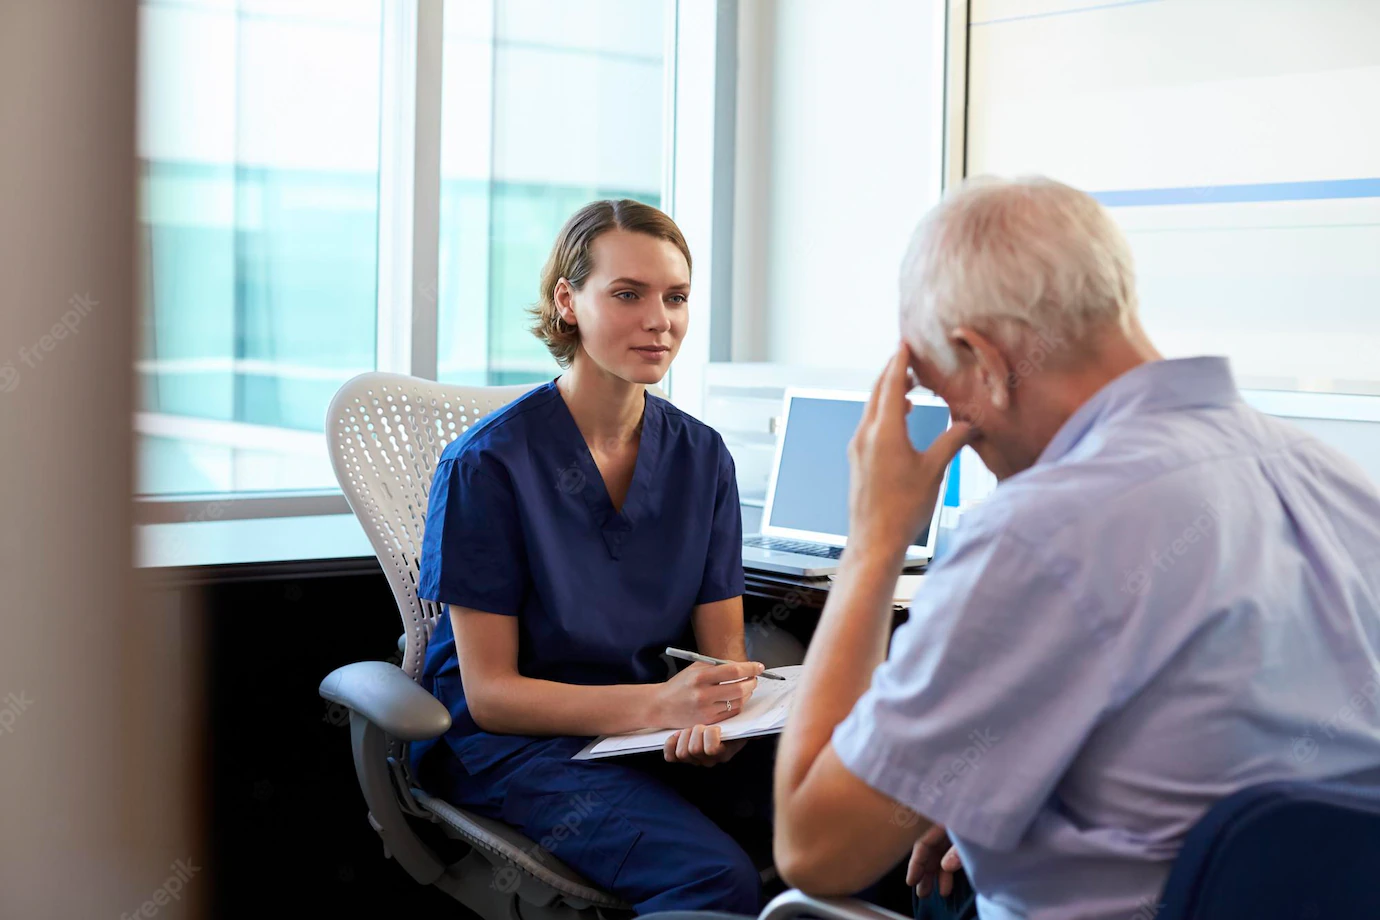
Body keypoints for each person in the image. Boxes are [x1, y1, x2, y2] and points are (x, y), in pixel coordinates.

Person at [771, 177, 1380, 920]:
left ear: (983, 361)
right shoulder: (1335, 482)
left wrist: (874, 543)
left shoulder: (1042, 532)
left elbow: (813, 847)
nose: (951, 425)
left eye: (938, 391)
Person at [411, 199, 777, 915]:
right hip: (515, 744)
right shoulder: (487, 465)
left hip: (648, 730)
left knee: (850, 816)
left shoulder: (701, 457)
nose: (659, 320)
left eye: (675, 297)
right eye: (628, 294)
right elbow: (491, 696)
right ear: (567, 302)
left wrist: (717, 718)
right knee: (713, 880)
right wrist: (660, 707)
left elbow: (722, 654)